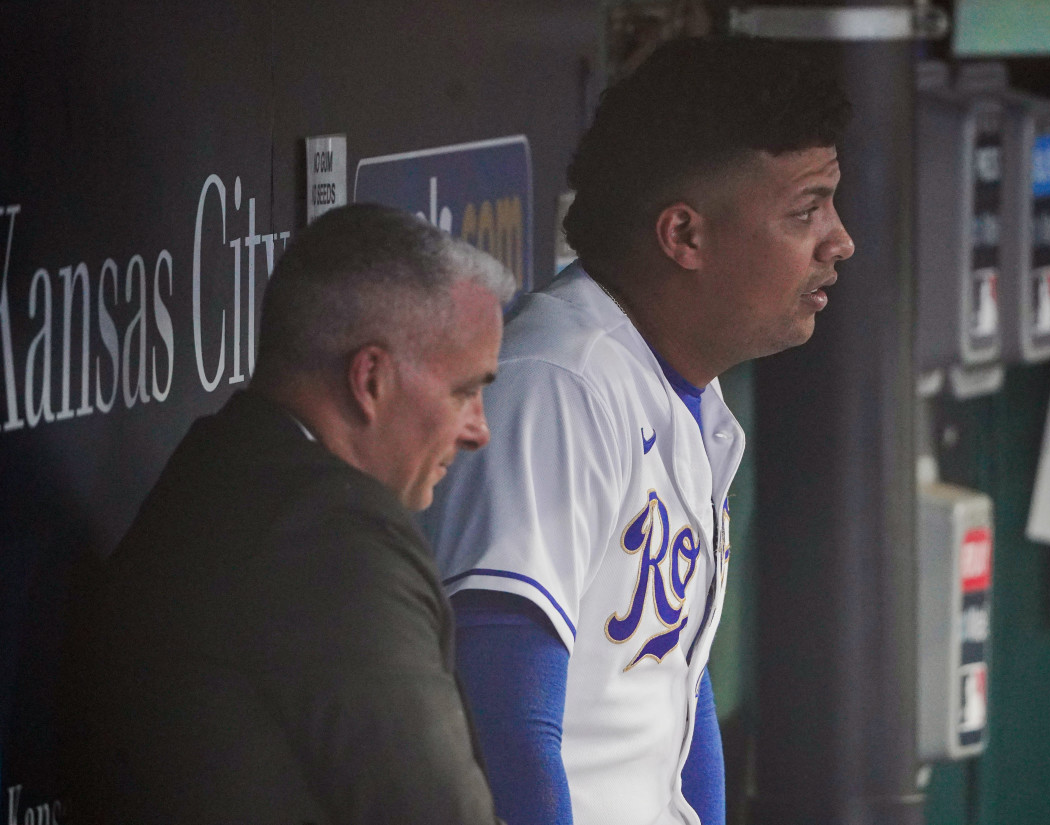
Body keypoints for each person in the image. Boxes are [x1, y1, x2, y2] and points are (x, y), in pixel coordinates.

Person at [423, 36, 855, 825]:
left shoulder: (677, 385)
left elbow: (673, 693)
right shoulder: (558, 385)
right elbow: (505, 719)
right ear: (684, 235)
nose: (839, 240)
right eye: (806, 210)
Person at [69, 204, 513, 825]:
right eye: (465, 391)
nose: (478, 431)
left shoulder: (219, 466)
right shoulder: (334, 547)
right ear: (370, 379)